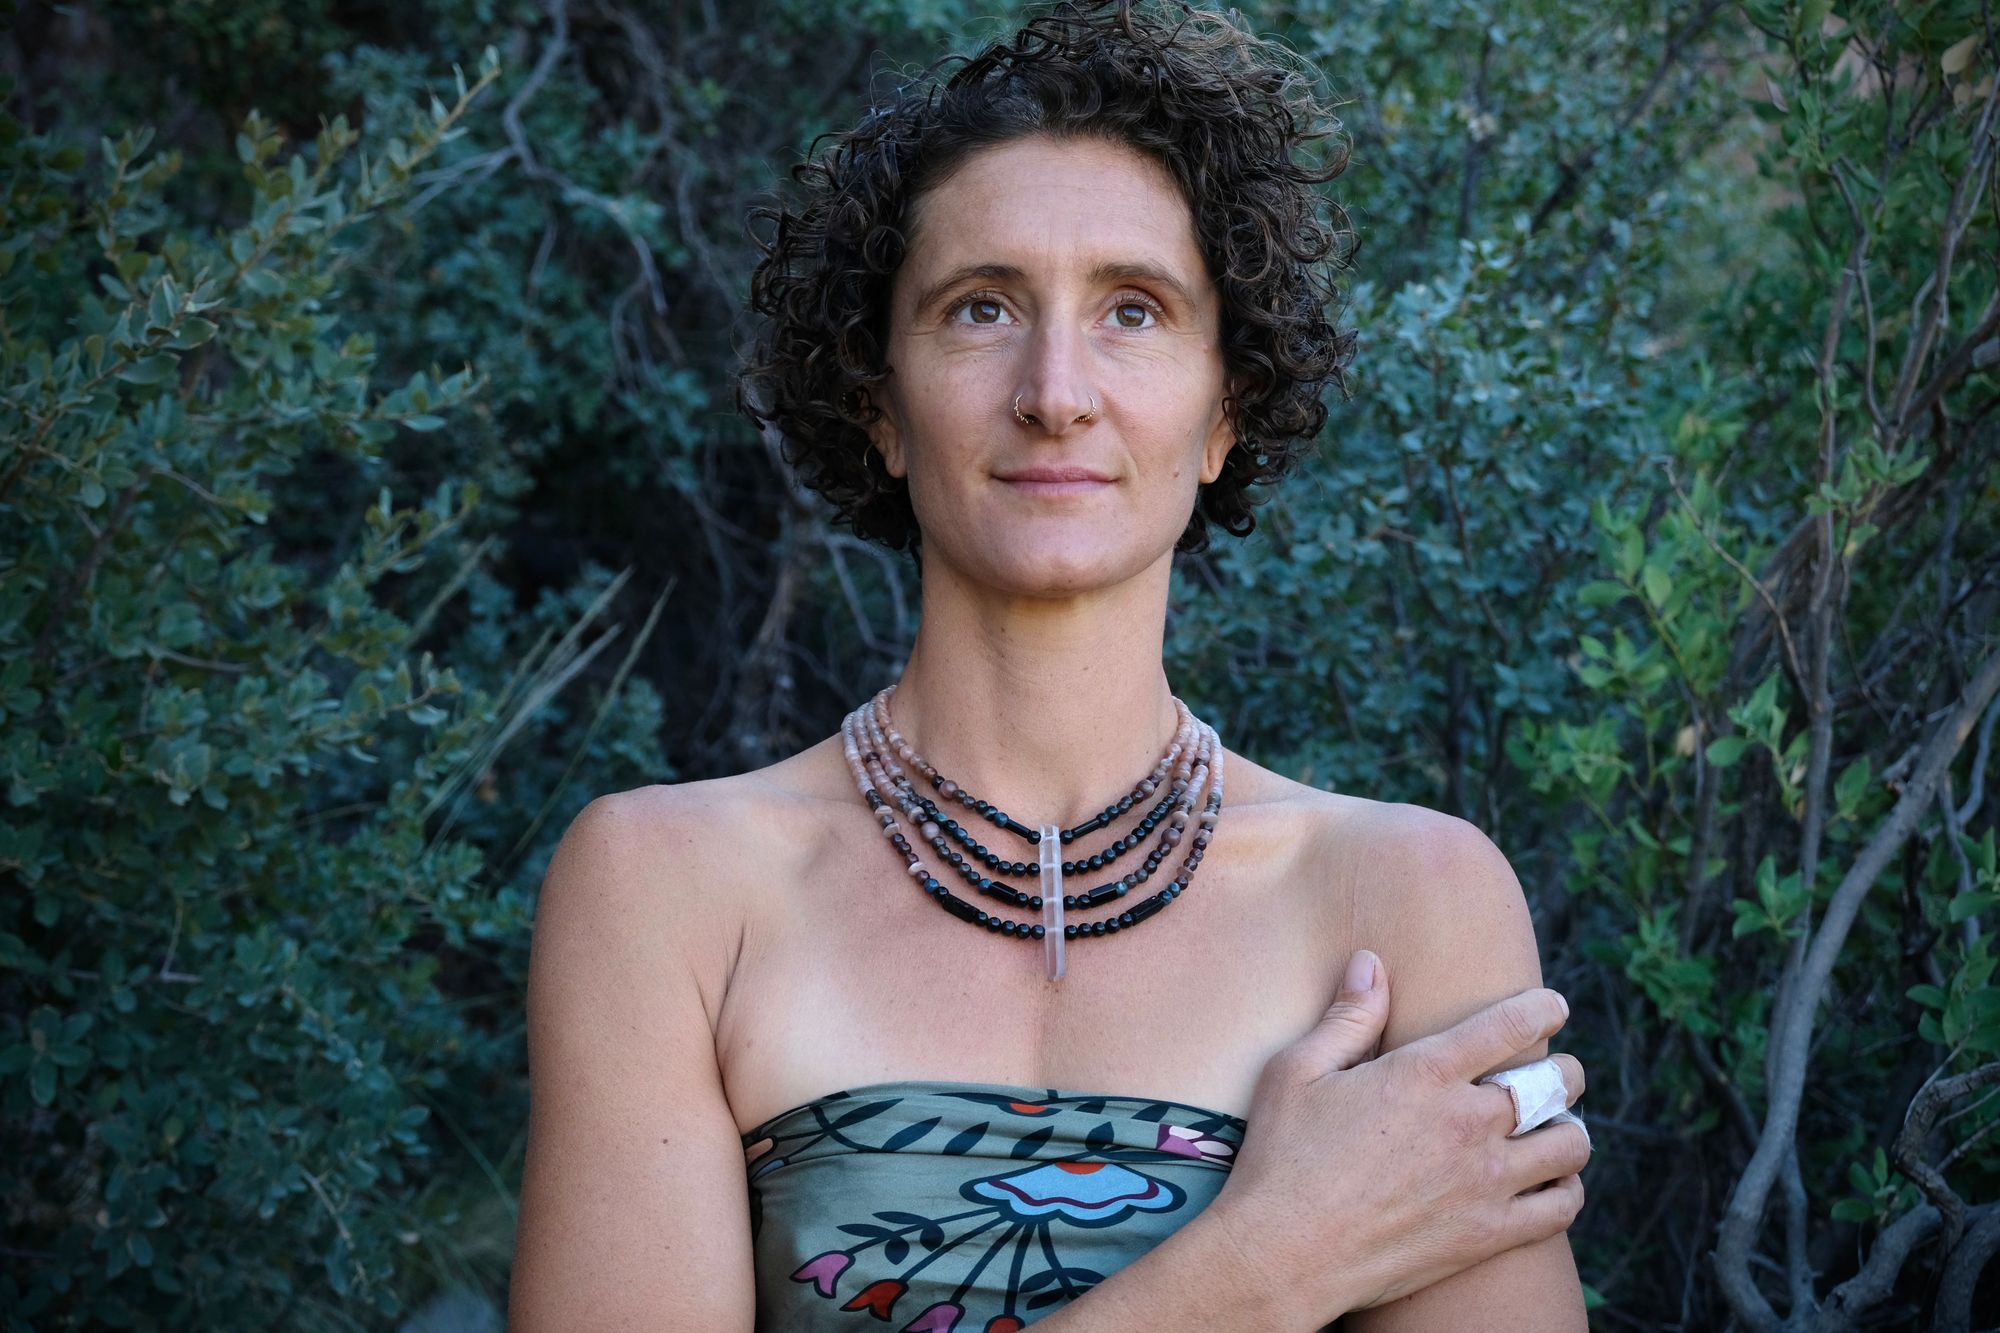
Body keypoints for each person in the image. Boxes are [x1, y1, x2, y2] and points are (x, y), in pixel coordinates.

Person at [508, 1, 1593, 1328]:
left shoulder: (1412, 903)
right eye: (981, 308)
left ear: (1222, 410)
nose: (1057, 389)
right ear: (879, 404)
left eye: (1134, 310)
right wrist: (1267, 1266)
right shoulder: (668, 892)